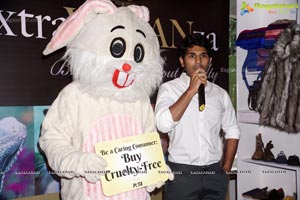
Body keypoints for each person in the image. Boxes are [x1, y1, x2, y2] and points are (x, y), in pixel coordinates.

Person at [155, 33, 240, 200]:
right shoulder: (169, 89)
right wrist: (191, 90)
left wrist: (226, 168)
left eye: (203, 56)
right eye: (192, 56)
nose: (198, 62)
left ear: (210, 61)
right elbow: (163, 125)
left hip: (215, 174)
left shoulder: (220, 94)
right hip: (181, 174)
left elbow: (233, 130)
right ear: (182, 61)